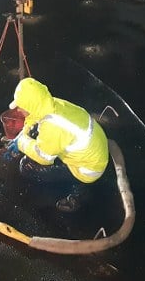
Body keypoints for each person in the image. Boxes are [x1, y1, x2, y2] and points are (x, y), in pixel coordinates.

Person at [7, 77, 108, 212]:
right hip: (95, 150)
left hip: (88, 169)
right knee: (37, 135)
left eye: (21, 107)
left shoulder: (53, 126)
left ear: (31, 105)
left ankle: (79, 190)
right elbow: (34, 117)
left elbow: (44, 158)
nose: (19, 110)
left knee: (27, 166)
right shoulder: (51, 103)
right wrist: (23, 133)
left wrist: (21, 143)